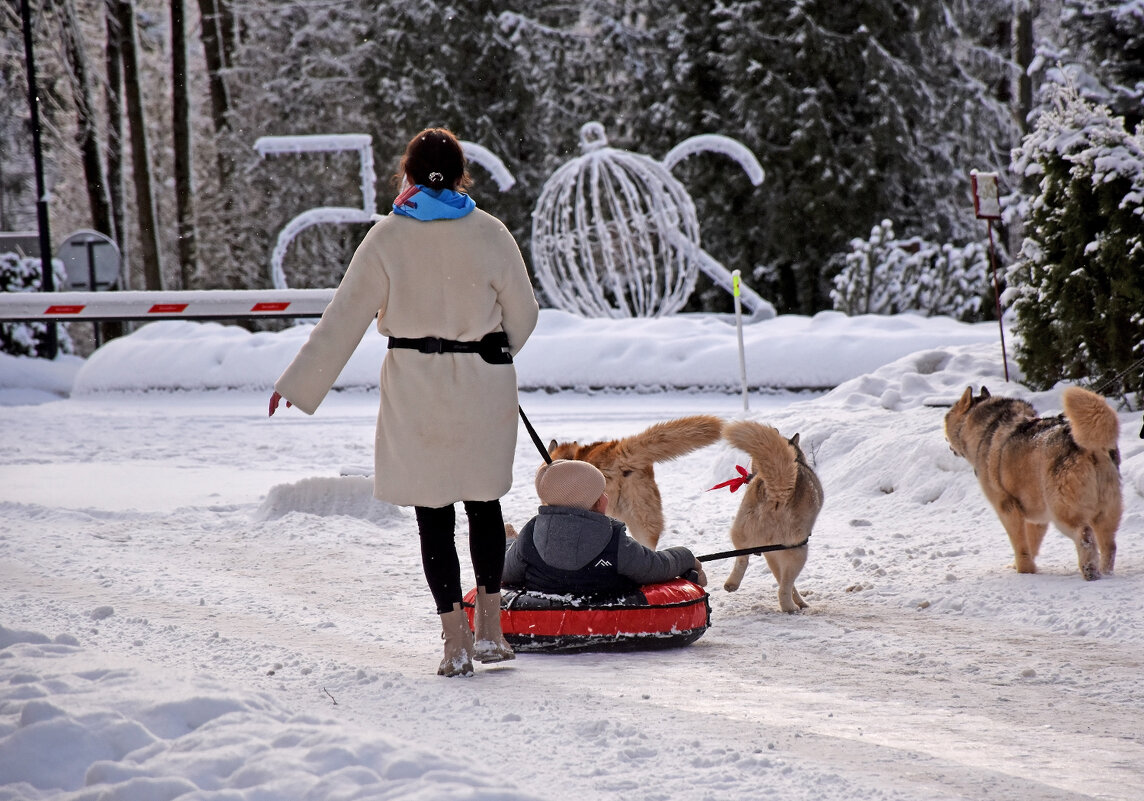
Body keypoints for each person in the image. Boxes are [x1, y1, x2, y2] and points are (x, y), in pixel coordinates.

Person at [269, 128, 539, 678]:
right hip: (483, 384)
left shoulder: (387, 238)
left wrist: (298, 382)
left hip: (415, 385)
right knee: (484, 507)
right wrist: (498, 345)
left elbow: (343, 318)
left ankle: (454, 642)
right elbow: (525, 313)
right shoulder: (490, 233)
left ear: (407, 175)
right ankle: (492, 631)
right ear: (462, 174)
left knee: (432, 517)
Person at [503, 459, 707, 595]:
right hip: (606, 612)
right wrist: (686, 556)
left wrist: (510, 543)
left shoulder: (530, 534)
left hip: (540, 617)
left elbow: (504, 571)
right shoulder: (613, 539)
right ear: (597, 504)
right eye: (601, 493)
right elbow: (655, 567)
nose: (606, 497)